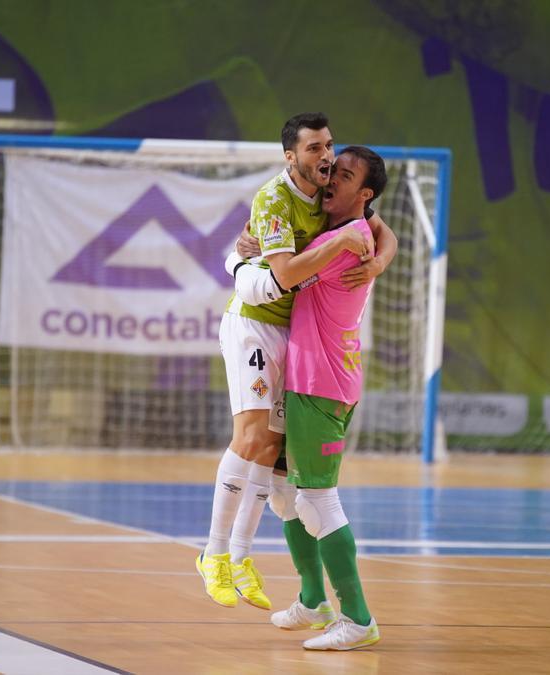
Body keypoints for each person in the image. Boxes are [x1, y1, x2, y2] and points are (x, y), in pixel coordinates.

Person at [197, 113, 397, 611]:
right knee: (252, 441)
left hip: (296, 338)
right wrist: (240, 261)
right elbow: (282, 274)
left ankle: (243, 557)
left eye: (329, 147)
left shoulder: (333, 202)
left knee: (271, 452)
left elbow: (379, 227)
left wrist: (378, 256)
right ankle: (213, 553)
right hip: (255, 321)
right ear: (291, 156)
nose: (327, 157)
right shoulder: (275, 198)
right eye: (315, 149)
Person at [260, 145, 387, 651]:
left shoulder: (350, 240)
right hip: (304, 381)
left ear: (366, 194)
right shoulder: (347, 234)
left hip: (324, 387)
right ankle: (314, 600)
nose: (331, 177)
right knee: (284, 496)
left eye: (345, 174)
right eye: (331, 169)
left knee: (317, 503)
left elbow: (287, 275)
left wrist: (252, 254)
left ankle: (358, 619)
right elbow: (380, 232)